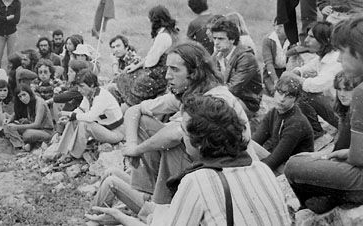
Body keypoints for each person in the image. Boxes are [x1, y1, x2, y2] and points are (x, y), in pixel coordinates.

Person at [88, 95, 291, 226]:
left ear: (199, 143)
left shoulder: (198, 181)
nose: (181, 136)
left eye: (183, 131)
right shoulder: (261, 169)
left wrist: (122, 218)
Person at [123, 43, 254, 205]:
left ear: (194, 73)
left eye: (175, 70)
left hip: (231, 171)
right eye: (167, 68)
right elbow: (134, 110)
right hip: (211, 164)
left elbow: (174, 135)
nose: (167, 76)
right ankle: (149, 193)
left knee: (174, 143)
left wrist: (137, 149)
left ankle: (162, 205)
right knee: (144, 121)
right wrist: (131, 144)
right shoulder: (189, 91)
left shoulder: (216, 97)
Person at [285, 16, 363, 214]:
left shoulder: (361, 92)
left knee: (294, 165)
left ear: (359, 53)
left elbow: (358, 158)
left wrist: (346, 154)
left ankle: (319, 203)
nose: (338, 58)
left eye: (343, 52)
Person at [116, 5, 178, 107]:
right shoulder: (173, 32)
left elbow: (150, 62)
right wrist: (137, 65)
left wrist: (137, 66)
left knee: (123, 77)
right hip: (167, 72)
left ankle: (134, 106)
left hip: (159, 76)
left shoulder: (163, 37)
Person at [252, 74, 314, 174]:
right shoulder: (273, 113)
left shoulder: (296, 122)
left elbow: (275, 160)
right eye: (280, 93)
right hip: (282, 162)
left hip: (297, 171)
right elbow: (255, 142)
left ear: (296, 99)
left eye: (289, 96)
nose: (282, 99)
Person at [57, 69, 124, 160]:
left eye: (82, 87)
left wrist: (71, 114)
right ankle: (63, 150)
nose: (79, 90)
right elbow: (80, 110)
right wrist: (69, 117)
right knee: (73, 119)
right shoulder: (88, 95)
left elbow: (90, 117)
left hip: (116, 132)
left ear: (92, 85)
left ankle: (74, 155)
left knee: (84, 124)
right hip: (104, 128)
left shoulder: (102, 96)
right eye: (78, 87)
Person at [289, 21, 340, 138]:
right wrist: (297, 71)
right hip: (335, 106)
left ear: (324, 41)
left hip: (343, 115)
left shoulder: (334, 59)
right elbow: (309, 67)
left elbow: (315, 85)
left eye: (312, 37)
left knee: (305, 94)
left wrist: (294, 78)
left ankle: (315, 132)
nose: (306, 40)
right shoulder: (322, 56)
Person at [211, 18, 262, 115]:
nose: (216, 42)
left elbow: (233, 89)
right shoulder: (218, 55)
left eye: (221, 39)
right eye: (214, 38)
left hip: (247, 102)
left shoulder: (246, 57)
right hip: (227, 97)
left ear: (232, 39)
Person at [3, 83, 54, 152]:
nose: (22, 98)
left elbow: (37, 124)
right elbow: (16, 113)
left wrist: (17, 127)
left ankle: (29, 143)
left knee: (27, 134)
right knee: (7, 126)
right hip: (33, 128)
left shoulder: (39, 103)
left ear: (29, 93)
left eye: (24, 95)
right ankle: (20, 145)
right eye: (20, 97)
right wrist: (9, 120)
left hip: (46, 131)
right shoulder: (27, 101)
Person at [332, 71, 362, 151]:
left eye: (347, 90)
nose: (342, 94)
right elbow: (338, 144)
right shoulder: (344, 110)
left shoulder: (358, 113)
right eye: (339, 89)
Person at [262, 18, 290, 96]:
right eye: (275, 25)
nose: (277, 28)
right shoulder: (268, 40)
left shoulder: (292, 40)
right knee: (275, 91)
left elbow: (292, 62)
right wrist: (275, 80)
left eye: (281, 26)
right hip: (271, 73)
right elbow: (268, 63)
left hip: (286, 71)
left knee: (289, 92)